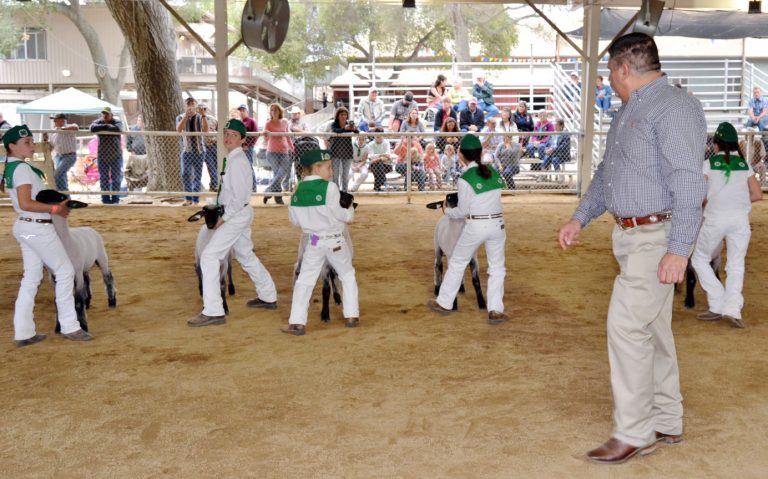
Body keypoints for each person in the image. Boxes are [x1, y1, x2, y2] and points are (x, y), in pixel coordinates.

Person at [558, 32, 707, 465]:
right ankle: (665, 418)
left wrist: (679, 249)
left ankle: (634, 431)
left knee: (625, 326)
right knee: (652, 329)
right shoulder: (628, 111)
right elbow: (608, 172)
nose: (609, 81)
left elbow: (687, 181)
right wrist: (579, 217)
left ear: (625, 67)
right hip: (630, 238)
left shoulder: (674, 107)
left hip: (657, 237)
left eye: (609, 73)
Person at [1, 125, 93, 346]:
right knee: (65, 271)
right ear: (12, 146)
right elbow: (26, 203)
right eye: (26, 143)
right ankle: (70, 326)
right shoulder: (22, 168)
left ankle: (23, 332)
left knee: (32, 277)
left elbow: (15, 197)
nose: (32, 146)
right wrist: (55, 209)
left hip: (26, 228)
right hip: (37, 228)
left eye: (31, 142)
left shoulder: (12, 167)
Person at [187, 119, 278, 327]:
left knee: (209, 257)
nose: (228, 138)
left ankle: (213, 311)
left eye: (233, 135)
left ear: (243, 139)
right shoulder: (234, 159)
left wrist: (222, 219)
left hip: (235, 215)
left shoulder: (237, 162)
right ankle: (268, 295)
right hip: (239, 214)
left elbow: (238, 198)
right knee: (245, 255)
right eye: (226, 133)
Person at [426, 134, 507, 324]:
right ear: (480, 152)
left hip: (476, 225)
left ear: (460, 155)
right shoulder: (493, 172)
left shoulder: (465, 179)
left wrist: (447, 211)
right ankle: (495, 309)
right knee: (497, 268)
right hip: (498, 225)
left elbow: (462, 211)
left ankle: (444, 302)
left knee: (457, 261)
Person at [691, 122, 763, 328]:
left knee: (699, 259)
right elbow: (757, 194)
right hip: (740, 221)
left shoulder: (709, 164)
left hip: (715, 219)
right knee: (736, 264)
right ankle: (732, 308)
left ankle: (717, 301)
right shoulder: (744, 165)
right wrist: (738, 203)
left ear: (717, 144)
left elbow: (700, 195)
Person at [282, 149, 358, 336]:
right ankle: (351, 315)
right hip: (335, 240)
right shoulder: (329, 187)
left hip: (314, 240)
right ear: (316, 168)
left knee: (305, 280)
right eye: (328, 167)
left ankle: (297, 322)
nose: (331, 171)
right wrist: (350, 211)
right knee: (347, 275)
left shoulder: (297, 189)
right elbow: (341, 215)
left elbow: (294, 221)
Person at [176, 98, 208, 205]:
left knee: (197, 176)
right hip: (186, 150)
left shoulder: (200, 116)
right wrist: (186, 116)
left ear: (195, 105)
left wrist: (203, 115)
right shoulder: (180, 117)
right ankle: (188, 198)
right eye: (188, 104)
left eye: (192, 103)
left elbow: (206, 130)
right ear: (185, 106)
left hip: (199, 150)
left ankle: (195, 200)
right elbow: (178, 130)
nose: (190, 106)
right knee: (185, 173)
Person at [90, 106, 124, 204]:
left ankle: (115, 199)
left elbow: (118, 128)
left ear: (111, 115)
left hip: (116, 155)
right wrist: (106, 126)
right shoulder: (98, 122)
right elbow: (92, 128)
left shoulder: (117, 121)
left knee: (116, 178)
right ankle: (105, 200)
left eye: (107, 114)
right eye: (103, 114)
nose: (105, 116)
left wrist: (104, 127)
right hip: (102, 156)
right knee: (104, 178)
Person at [263, 103, 293, 205]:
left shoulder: (285, 122)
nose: (274, 112)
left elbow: (288, 136)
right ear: (270, 112)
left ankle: (268, 191)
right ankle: (278, 198)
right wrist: (266, 133)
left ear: (280, 111)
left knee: (282, 173)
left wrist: (292, 147)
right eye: (272, 110)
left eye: (276, 110)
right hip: (272, 152)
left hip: (284, 151)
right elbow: (266, 139)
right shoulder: (268, 123)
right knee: (277, 174)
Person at [45, 113, 79, 192]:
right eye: (54, 120)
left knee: (57, 175)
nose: (54, 121)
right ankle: (64, 196)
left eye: (56, 119)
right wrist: (45, 139)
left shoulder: (68, 127)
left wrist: (61, 129)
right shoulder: (54, 132)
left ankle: (63, 195)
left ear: (62, 120)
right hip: (59, 156)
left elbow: (76, 128)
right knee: (61, 176)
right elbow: (51, 146)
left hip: (69, 156)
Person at [328, 107, 357, 192]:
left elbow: (357, 131)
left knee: (345, 174)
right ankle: (336, 192)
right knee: (335, 174)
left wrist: (354, 128)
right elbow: (335, 130)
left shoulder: (349, 124)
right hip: (336, 151)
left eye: (345, 114)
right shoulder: (334, 124)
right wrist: (345, 129)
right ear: (338, 116)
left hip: (347, 151)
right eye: (341, 114)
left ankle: (344, 192)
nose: (344, 116)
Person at [362, 128, 393, 192]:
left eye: (380, 135)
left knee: (378, 164)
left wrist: (377, 158)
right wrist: (381, 156)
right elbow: (371, 156)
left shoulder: (386, 143)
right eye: (376, 135)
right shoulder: (371, 144)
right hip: (373, 166)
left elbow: (388, 155)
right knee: (378, 164)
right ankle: (384, 183)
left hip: (386, 165)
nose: (378, 137)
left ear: (383, 135)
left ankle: (377, 187)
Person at [124, 115, 150, 191]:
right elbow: (128, 142)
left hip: (147, 156)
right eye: (138, 120)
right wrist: (131, 151)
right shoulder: (133, 129)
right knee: (136, 173)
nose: (139, 122)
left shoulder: (147, 129)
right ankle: (137, 189)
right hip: (136, 156)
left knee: (146, 173)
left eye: (141, 121)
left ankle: (147, 188)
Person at [238, 104, 259, 191]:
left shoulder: (251, 121)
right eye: (240, 111)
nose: (241, 112)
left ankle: (253, 187)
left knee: (248, 166)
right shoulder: (239, 123)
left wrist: (249, 145)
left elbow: (256, 135)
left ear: (247, 111)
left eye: (243, 110)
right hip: (240, 148)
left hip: (247, 148)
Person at [201, 105, 219, 191]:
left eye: (204, 109)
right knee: (211, 166)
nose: (202, 110)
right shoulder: (196, 120)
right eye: (201, 109)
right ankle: (215, 185)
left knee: (217, 165)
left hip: (215, 145)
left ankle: (213, 184)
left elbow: (219, 130)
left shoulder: (213, 119)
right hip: (205, 146)